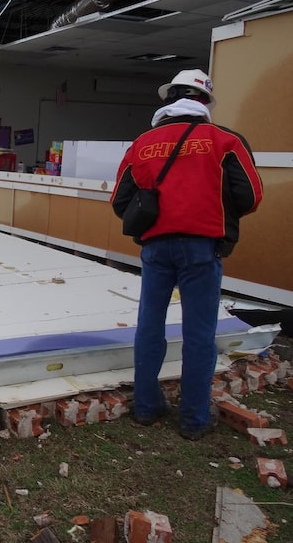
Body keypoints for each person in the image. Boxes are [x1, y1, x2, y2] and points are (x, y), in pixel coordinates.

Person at [110, 69, 263, 440]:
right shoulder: (225, 140)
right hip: (202, 247)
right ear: (204, 102)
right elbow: (251, 196)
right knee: (199, 333)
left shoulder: (142, 143)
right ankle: (194, 420)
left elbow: (120, 201)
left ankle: (147, 408)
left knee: (149, 326)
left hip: (155, 248)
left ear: (169, 100)